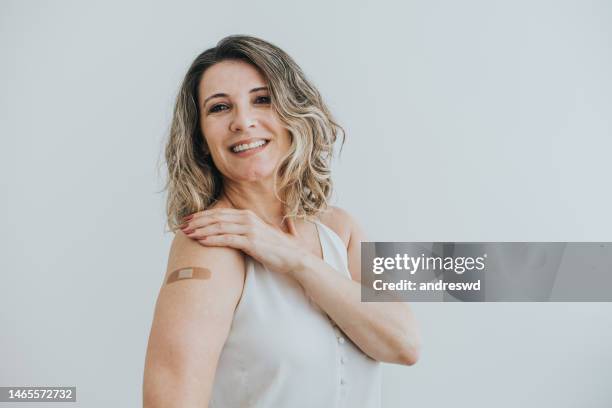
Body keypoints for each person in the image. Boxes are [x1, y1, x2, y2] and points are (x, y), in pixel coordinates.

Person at [143, 35, 421, 408]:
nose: (243, 121)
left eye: (262, 99)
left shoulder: (341, 230)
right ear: (200, 138)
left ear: (294, 112)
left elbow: (404, 343)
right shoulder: (210, 244)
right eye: (219, 108)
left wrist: (295, 260)